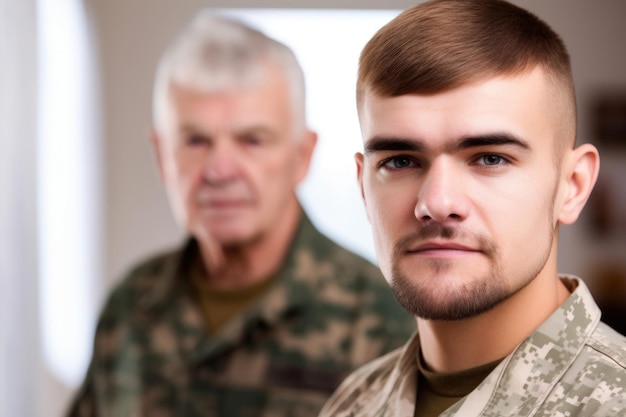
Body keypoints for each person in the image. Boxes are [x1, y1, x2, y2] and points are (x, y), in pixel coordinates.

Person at [66, 12, 415, 417]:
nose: (219, 170)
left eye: (251, 140)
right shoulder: (130, 307)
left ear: (302, 156)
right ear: (162, 156)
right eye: (195, 140)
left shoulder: (378, 315)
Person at [319, 0, 626, 416]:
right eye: (400, 161)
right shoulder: (353, 403)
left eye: (490, 158)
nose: (437, 203)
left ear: (572, 187)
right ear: (363, 187)